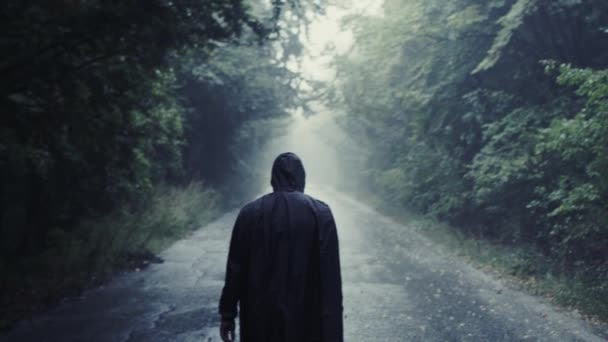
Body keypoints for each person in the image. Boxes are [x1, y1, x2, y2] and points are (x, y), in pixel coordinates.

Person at [218, 152, 343, 342]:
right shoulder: (320, 213)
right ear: (301, 178)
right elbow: (331, 277)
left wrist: (228, 315)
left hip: (259, 319)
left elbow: (236, 269)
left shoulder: (249, 213)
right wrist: (333, 331)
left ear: (273, 178)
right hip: (306, 321)